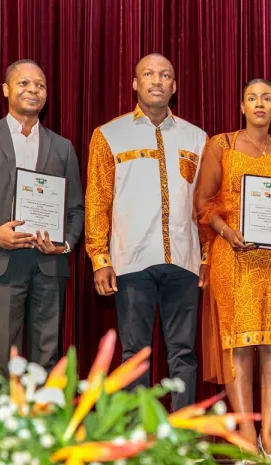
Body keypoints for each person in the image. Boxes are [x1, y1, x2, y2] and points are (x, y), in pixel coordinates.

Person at [0, 59, 84, 383]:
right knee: (3, 359)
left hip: (48, 265)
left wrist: (64, 244)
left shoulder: (62, 147)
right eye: (24, 83)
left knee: (48, 360)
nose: (33, 90)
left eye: (39, 84)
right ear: (6, 89)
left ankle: (47, 431)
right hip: (1, 262)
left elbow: (76, 210)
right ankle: (5, 433)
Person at [84, 53, 207, 411]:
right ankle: (136, 441)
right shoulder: (109, 135)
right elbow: (97, 200)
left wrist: (207, 257)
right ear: (135, 83)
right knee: (134, 354)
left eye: (165, 75)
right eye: (149, 74)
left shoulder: (197, 138)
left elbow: (206, 204)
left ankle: (182, 437)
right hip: (131, 261)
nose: (157, 80)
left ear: (175, 85)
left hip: (184, 260)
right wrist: (99, 258)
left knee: (183, 352)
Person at [194, 79, 271, 463]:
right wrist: (228, 232)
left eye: (267, 98)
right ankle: (246, 433)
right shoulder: (220, 145)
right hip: (236, 257)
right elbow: (204, 204)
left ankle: (270, 436)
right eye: (252, 98)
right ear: (241, 105)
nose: (260, 104)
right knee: (240, 346)